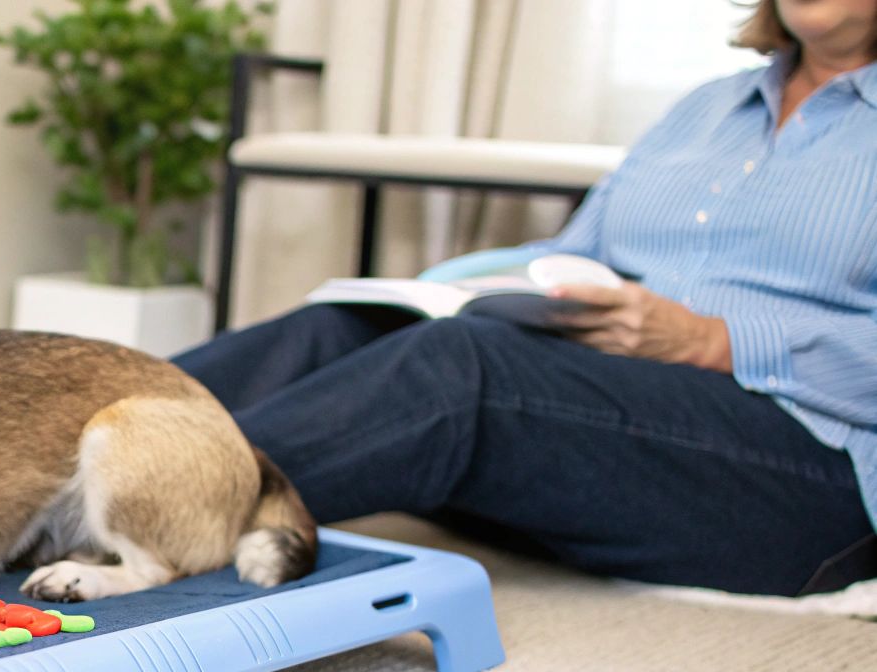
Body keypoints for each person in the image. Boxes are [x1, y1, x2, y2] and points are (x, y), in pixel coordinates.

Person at [176, 0, 877, 596]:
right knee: (350, 324)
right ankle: (82, 436)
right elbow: (571, 254)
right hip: (619, 400)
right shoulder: (709, 107)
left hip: (804, 468)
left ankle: (151, 504)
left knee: (464, 367)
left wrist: (713, 340)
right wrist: (442, 289)